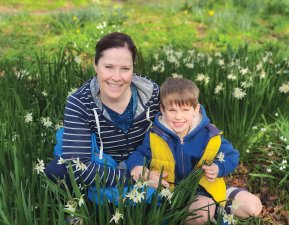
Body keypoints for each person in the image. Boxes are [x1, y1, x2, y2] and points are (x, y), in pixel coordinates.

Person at [126, 77, 263, 224]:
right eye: (172, 110)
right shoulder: (155, 135)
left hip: (208, 188)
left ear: (196, 109)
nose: (178, 116)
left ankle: (219, 207)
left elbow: (231, 155)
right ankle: (212, 212)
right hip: (175, 194)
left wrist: (219, 167)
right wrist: (138, 168)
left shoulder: (209, 134)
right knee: (204, 210)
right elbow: (138, 154)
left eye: (185, 110)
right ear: (162, 109)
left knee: (253, 206)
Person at [45, 32, 162, 188]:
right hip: (102, 167)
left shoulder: (151, 94)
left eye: (125, 68)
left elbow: (187, 112)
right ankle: (86, 206)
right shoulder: (79, 102)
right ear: (95, 65)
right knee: (58, 170)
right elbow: (78, 167)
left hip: (144, 164)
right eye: (109, 67)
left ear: (133, 68)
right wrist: (133, 178)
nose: (116, 77)